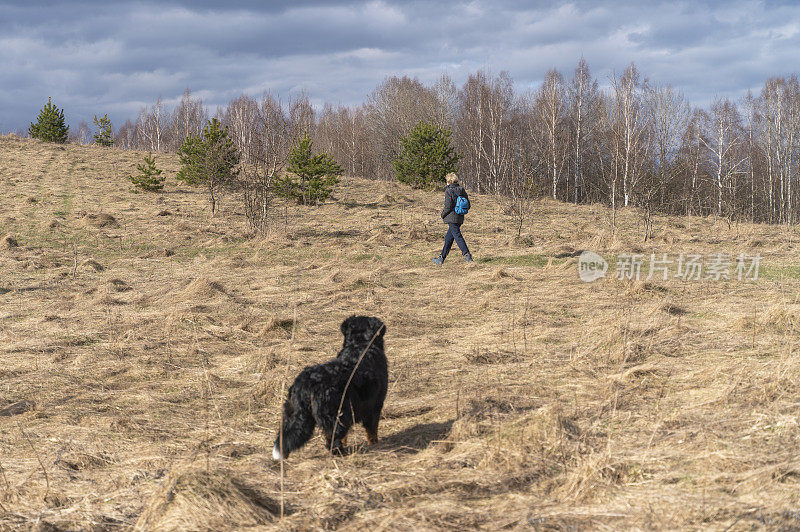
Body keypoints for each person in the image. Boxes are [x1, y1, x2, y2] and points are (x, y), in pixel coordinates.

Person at [433, 173, 473, 265]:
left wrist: (443, 215)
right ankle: (441, 258)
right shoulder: (462, 189)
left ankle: (467, 255)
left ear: (449, 181)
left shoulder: (448, 191)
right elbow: (468, 205)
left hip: (452, 218)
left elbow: (448, 206)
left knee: (458, 236)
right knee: (448, 238)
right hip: (460, 217)